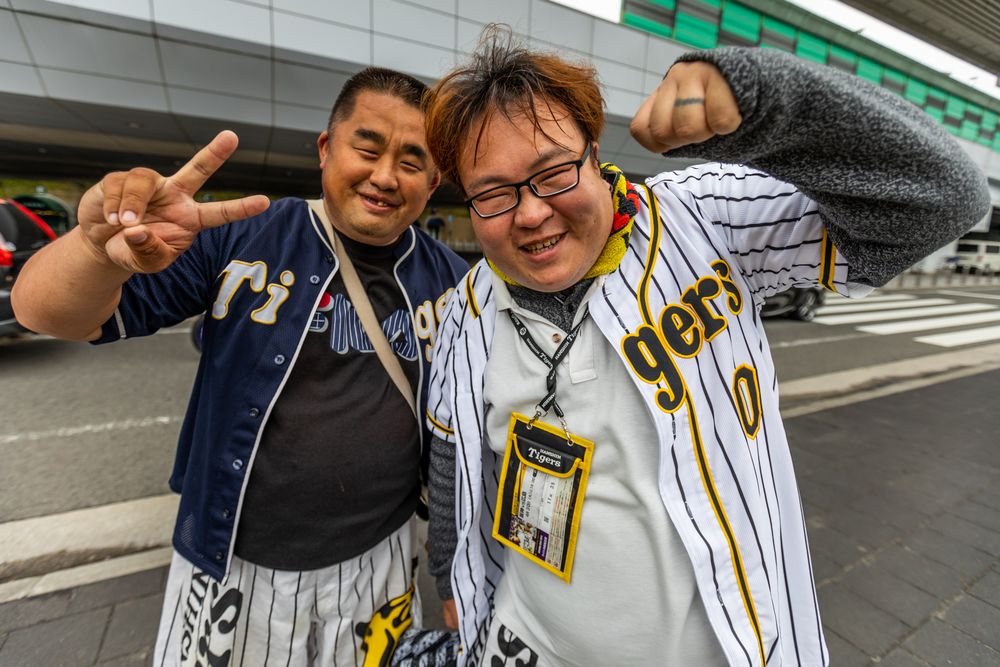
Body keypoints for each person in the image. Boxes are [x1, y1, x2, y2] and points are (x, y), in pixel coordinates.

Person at [418, 30, 989, 666]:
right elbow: (452, 457)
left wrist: (766, 100)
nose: (528, 214)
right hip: (526, 642)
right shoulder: (467, 308)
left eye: (552, 172)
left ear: (592, 153)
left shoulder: (704, 218)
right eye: (494, 194)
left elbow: (943, 202)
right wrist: (450, 583)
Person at [11, 67, 468, 666]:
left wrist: (457, 567)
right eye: (368, 146)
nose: (385, 175)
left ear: (432, 181)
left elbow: (457, 447)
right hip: (231, 567)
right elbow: (46, 312)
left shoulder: (456, 285)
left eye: (412, 161)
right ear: (327, 149)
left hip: (380, 565)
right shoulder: (242, 236)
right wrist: (97, 249)